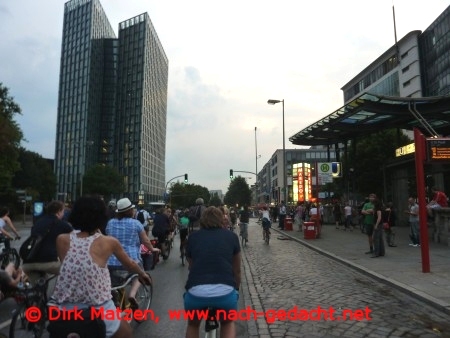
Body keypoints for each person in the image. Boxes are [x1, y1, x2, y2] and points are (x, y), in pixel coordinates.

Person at [49, 196, 152, 338]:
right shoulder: (108, 242)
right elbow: (130, 264)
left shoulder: (62, 240)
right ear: (101, 217)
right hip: (97, 308)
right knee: (126, 333)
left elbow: (72, 266)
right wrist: (142, 274)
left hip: (63, 309)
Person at [184, 206, 241, 338]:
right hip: (225, 293)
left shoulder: (193, 238)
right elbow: (237, 271)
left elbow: (191, 267)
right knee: (227, 322)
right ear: (221, 219)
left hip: (196, 294)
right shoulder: (231, 237)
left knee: (193, 324)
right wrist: (236, 288)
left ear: (202, 220)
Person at [106, 197, 159, 308]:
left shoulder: (110, 223)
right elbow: (145, 241)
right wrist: (152, 249)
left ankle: (114, 299)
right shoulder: (136, 224)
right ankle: (133, 294)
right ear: (130, 211)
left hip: (110, 262)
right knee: (140, 274)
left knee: (113, 283)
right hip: (130, 261)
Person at [22, 200, 73, 283]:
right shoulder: (62, 224)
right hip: (48, 263)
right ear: (59, 211)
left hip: (27, 263)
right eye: (63, 211)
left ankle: (37, 294)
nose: (63, 213)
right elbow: (75, 239)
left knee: (38, 287)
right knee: (71, 272)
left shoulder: (38, 222)